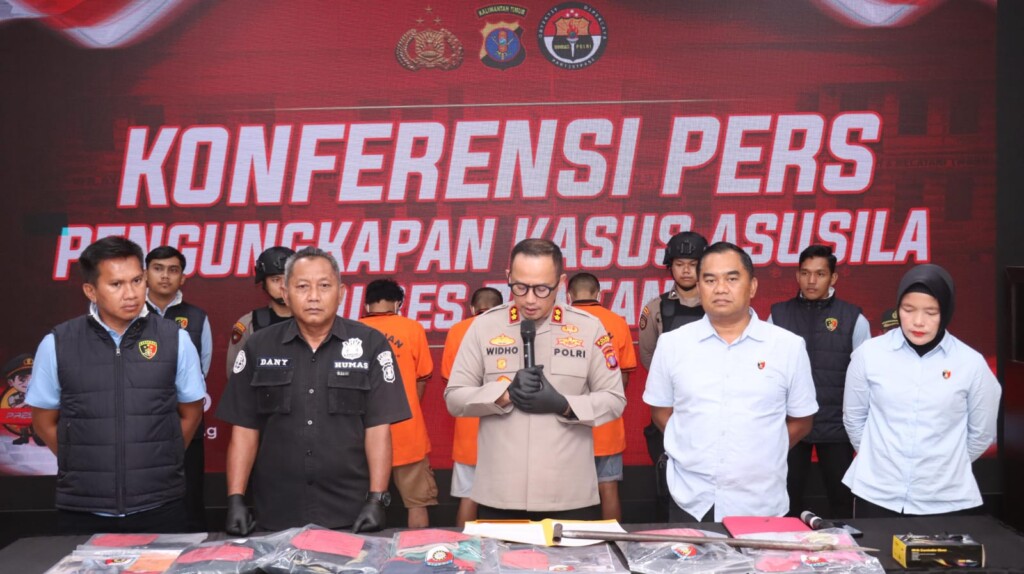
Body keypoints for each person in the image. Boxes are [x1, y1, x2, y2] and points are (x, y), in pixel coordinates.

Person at [217, 247, 412, 534]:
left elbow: (378, 430)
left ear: (341, 293)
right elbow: (245, 429)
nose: (313, 296)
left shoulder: (370, 344)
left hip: (351, 512)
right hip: (276, 510)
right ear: (286, 293)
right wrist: (235, 498)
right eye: (302, 287)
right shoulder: (258, 346)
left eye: (324, 286)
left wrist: (376, 499)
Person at [25, 236, 206, 534]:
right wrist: (79, 460)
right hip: (84, 508)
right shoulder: (58, 343)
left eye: (137, 281)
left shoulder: (175, 339)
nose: (131, 293)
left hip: (160, 505)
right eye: (116, 284)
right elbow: (43, 421)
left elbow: (191, 411)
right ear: (91, 291)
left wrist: (166, 458)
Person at [445, 238, 626, 520]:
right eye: (520, 287)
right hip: (499, 494)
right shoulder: (484, 327)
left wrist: (564, 404)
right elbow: (454, 398)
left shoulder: (588, 328)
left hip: (568, 495)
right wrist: (504, 394)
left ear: (561, 282)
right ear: (508, 277)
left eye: (542, 289)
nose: (530, 299)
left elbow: (614, 399)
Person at [643, 241, 818, 521]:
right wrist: (692, 447)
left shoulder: (787, 346)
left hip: (761, 501)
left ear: (752, 286)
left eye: (732, 279)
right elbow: (660, 411)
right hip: (691, 499)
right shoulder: (672, 344)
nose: (720, 288)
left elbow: (802, 420)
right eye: (710, 280)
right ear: (699, 286)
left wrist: (762, 452)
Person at [842, 263, 1001, 517]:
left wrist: (944, 468)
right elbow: (854, 419)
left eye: (931, 312)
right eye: (908, 310)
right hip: (875, 493)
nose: (918, 321)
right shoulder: (869, 355)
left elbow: (982, 434)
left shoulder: (971, 363)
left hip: (944, 498)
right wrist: (879, 461)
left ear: (946, 312)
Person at [767, 244, 870, 519]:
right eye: (805, 273)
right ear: (797, 275)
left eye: (820, 274)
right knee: (784, 501)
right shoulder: (778, 315)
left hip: (836, 426)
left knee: (842, 502)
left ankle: (847, 547)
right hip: (790, 425)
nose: (811, 280)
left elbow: (865, 378)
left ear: (833, 278)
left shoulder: (853, 318)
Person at [637, 230, 707, 518]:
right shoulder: (656, 307)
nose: (686, 270)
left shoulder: (718, 304)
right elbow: (648, 356)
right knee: (667, 481)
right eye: (679, 264)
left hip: (711, 405)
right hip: (670, 407)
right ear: (670, 266)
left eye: (693, 264)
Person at [360, 278, 437, 528]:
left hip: (363, 433)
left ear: (367, 303)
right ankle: (420, 552)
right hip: (407, 432)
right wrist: (408, 409)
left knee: (359, 506)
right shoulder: (412, 328)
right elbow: (422, 377)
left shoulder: (353, 330)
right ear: (397, 303)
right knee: (417, 503)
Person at [145, 245, 212, 530]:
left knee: (189, 493)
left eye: (173, 270)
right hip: (140, 421)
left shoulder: (197, 317)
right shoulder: (128, 312)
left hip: (185, 419)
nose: (165, 276)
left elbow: (202, 369)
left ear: (182, 278)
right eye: (158, 269)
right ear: (145, 274)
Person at [567, 272, 638, 521]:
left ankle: (564, 543)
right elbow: (624, 378)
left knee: (565, 493)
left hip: (568, 423)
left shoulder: (559, 322)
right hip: (606, 423)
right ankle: (613, 541)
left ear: (568, 295)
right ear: (598, 293)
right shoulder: (617, 322)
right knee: (608, 487)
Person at [441, 287, 503, 527]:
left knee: (468, 497)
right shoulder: (511, 328)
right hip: (503, 425)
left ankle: (462, 548)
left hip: (468, 425)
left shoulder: (458, 330)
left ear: (472, 308)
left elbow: (449, 381)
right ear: (502, 307)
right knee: (506, 500)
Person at [225, 246, 295, 379]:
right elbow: (235, 377)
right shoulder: (249, 324)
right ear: (264, 284)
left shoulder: (315, 321)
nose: (283, 285)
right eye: (275, 279)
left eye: (288, 279)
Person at [1, 353, 41, 445]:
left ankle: (38, 435)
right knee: (21, 419)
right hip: (23, 417)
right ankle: (24, 436)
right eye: (22, 379)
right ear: (11, 382)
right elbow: (15, 409)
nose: (28, 383)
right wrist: (26, 402)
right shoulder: (14, 397)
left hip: (38, 417)